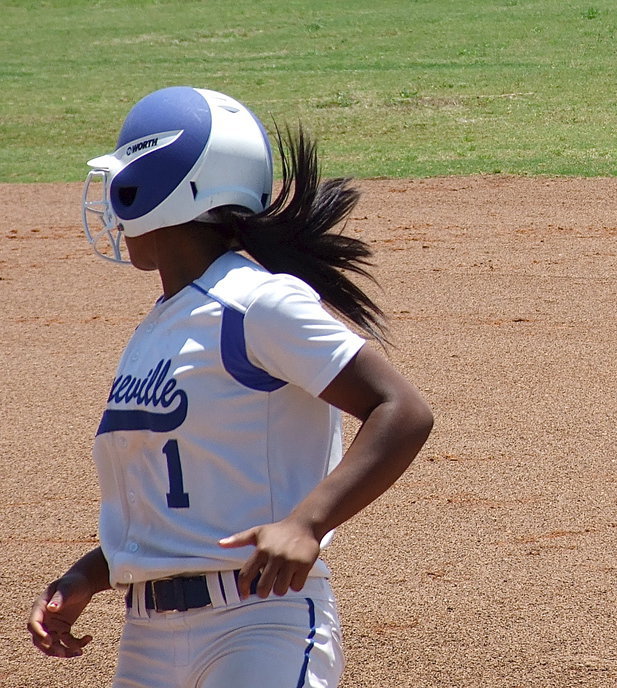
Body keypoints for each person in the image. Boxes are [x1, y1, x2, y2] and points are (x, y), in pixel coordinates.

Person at [27, 86, 434, 687]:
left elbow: (401, 408)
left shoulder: (257, 302)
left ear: (168, 183)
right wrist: (91, 573)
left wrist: (307, 523)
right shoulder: (161, 324)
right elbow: (181, 496)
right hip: (147, 639)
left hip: (258, 624)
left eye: (124, 180)